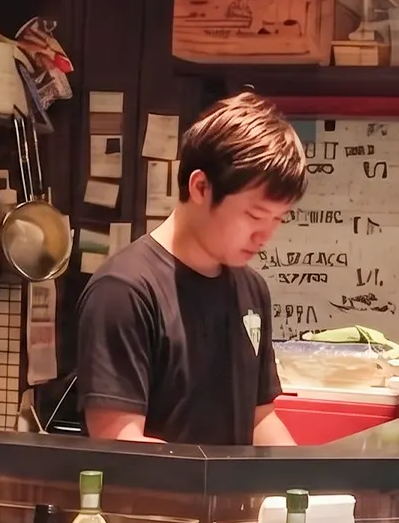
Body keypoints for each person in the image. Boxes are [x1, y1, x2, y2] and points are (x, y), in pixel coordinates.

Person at [77, 92, 304, 445]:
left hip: (233, 499)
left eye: (278, 219)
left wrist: (305, 485)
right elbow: (119, 443)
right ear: (200, 187)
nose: (265, 234)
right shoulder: (125, 291)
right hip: (156, 501)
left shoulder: (252, 290)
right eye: (255, 215)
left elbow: (259, 417)